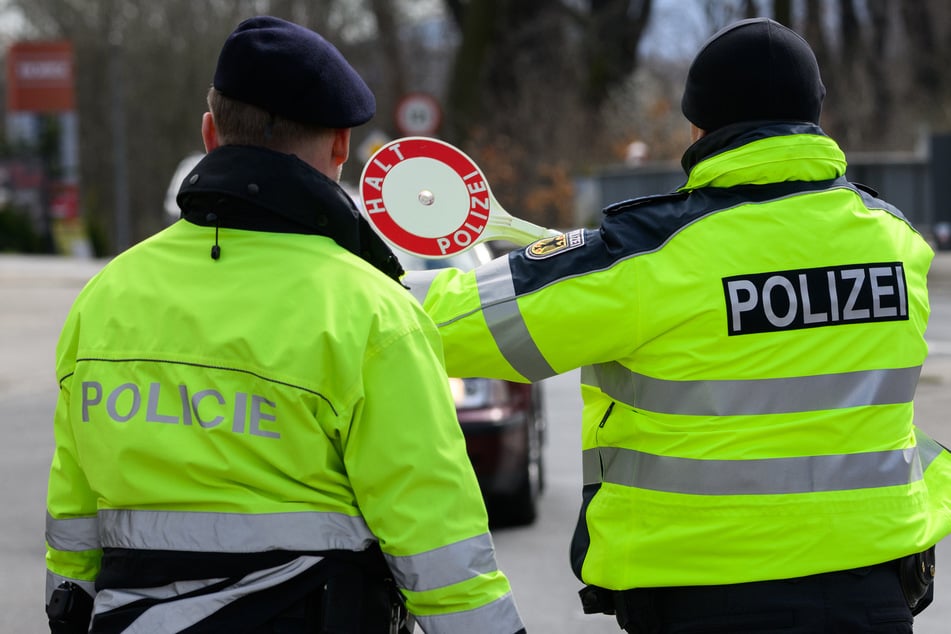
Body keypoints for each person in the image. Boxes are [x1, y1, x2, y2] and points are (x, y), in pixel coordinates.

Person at [402, 17, 951, 633]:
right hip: (874, 594)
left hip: (710, 600)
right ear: (814, 115)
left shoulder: (650, 253)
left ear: (697, 126)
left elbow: (433, 327)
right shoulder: (897, 241)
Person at [44, 15, 525, 634]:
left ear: (210, 134)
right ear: (341, 147)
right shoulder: (372, 313)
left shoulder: (104, 298)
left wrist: (71, 607)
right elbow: (438, 547)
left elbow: (74, 518)